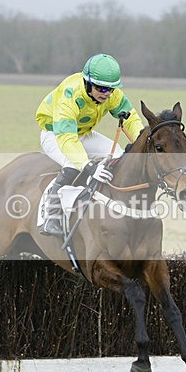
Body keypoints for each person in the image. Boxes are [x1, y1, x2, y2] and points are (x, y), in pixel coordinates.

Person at [36, 53, 144, 236]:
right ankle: (51, 215)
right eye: (101, 89)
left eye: (110, 89)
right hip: (56, 134)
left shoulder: (112, 93)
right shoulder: (70, 94)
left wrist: (143, 144)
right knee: (73, 163)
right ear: (87, 83)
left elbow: (131, 119)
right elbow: (67, 139)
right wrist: (88, 166)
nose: (106, 94)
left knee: (118, 156)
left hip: (83, 134)